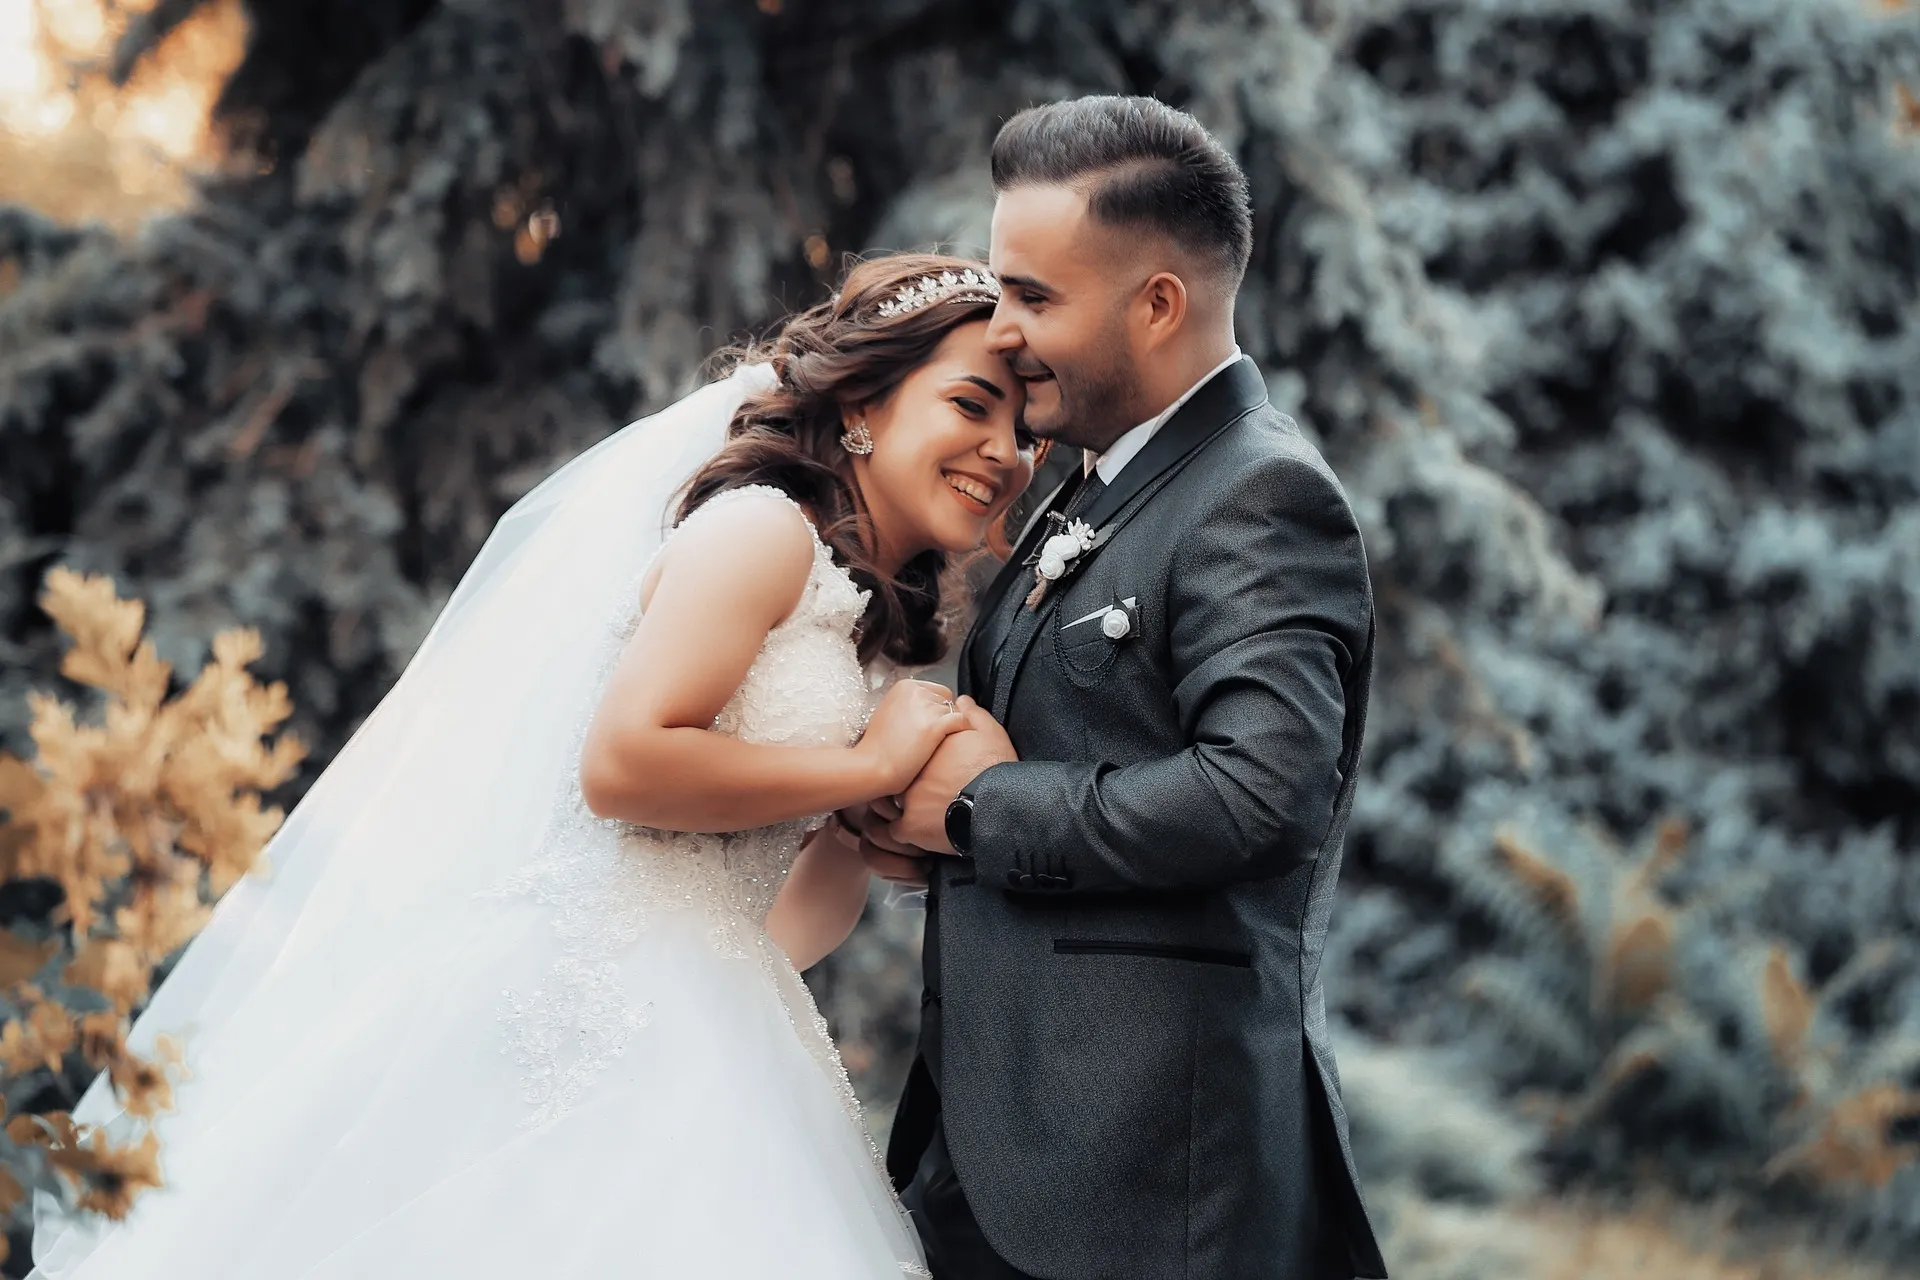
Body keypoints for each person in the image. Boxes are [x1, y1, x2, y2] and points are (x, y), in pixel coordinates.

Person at [28, 253, 1036, 1280]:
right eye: (972, 404)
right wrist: (863, 768)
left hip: (708, 1009)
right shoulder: (761, 532)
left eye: (1029, 430)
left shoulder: (863, 628)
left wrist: (861, 836)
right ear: (863, 399)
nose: (1005, 452)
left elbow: (782, 925)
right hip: (572, 1000)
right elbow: (625, 762)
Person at [849, 96, 1391, 1279]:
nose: (1000, 330)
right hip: (1009, 1152)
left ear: (1157, 304)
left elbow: (1263, 792)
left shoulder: (1262, 494)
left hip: (1147, 1190)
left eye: (1034, 297)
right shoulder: (1096, 480)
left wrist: (982, 811)